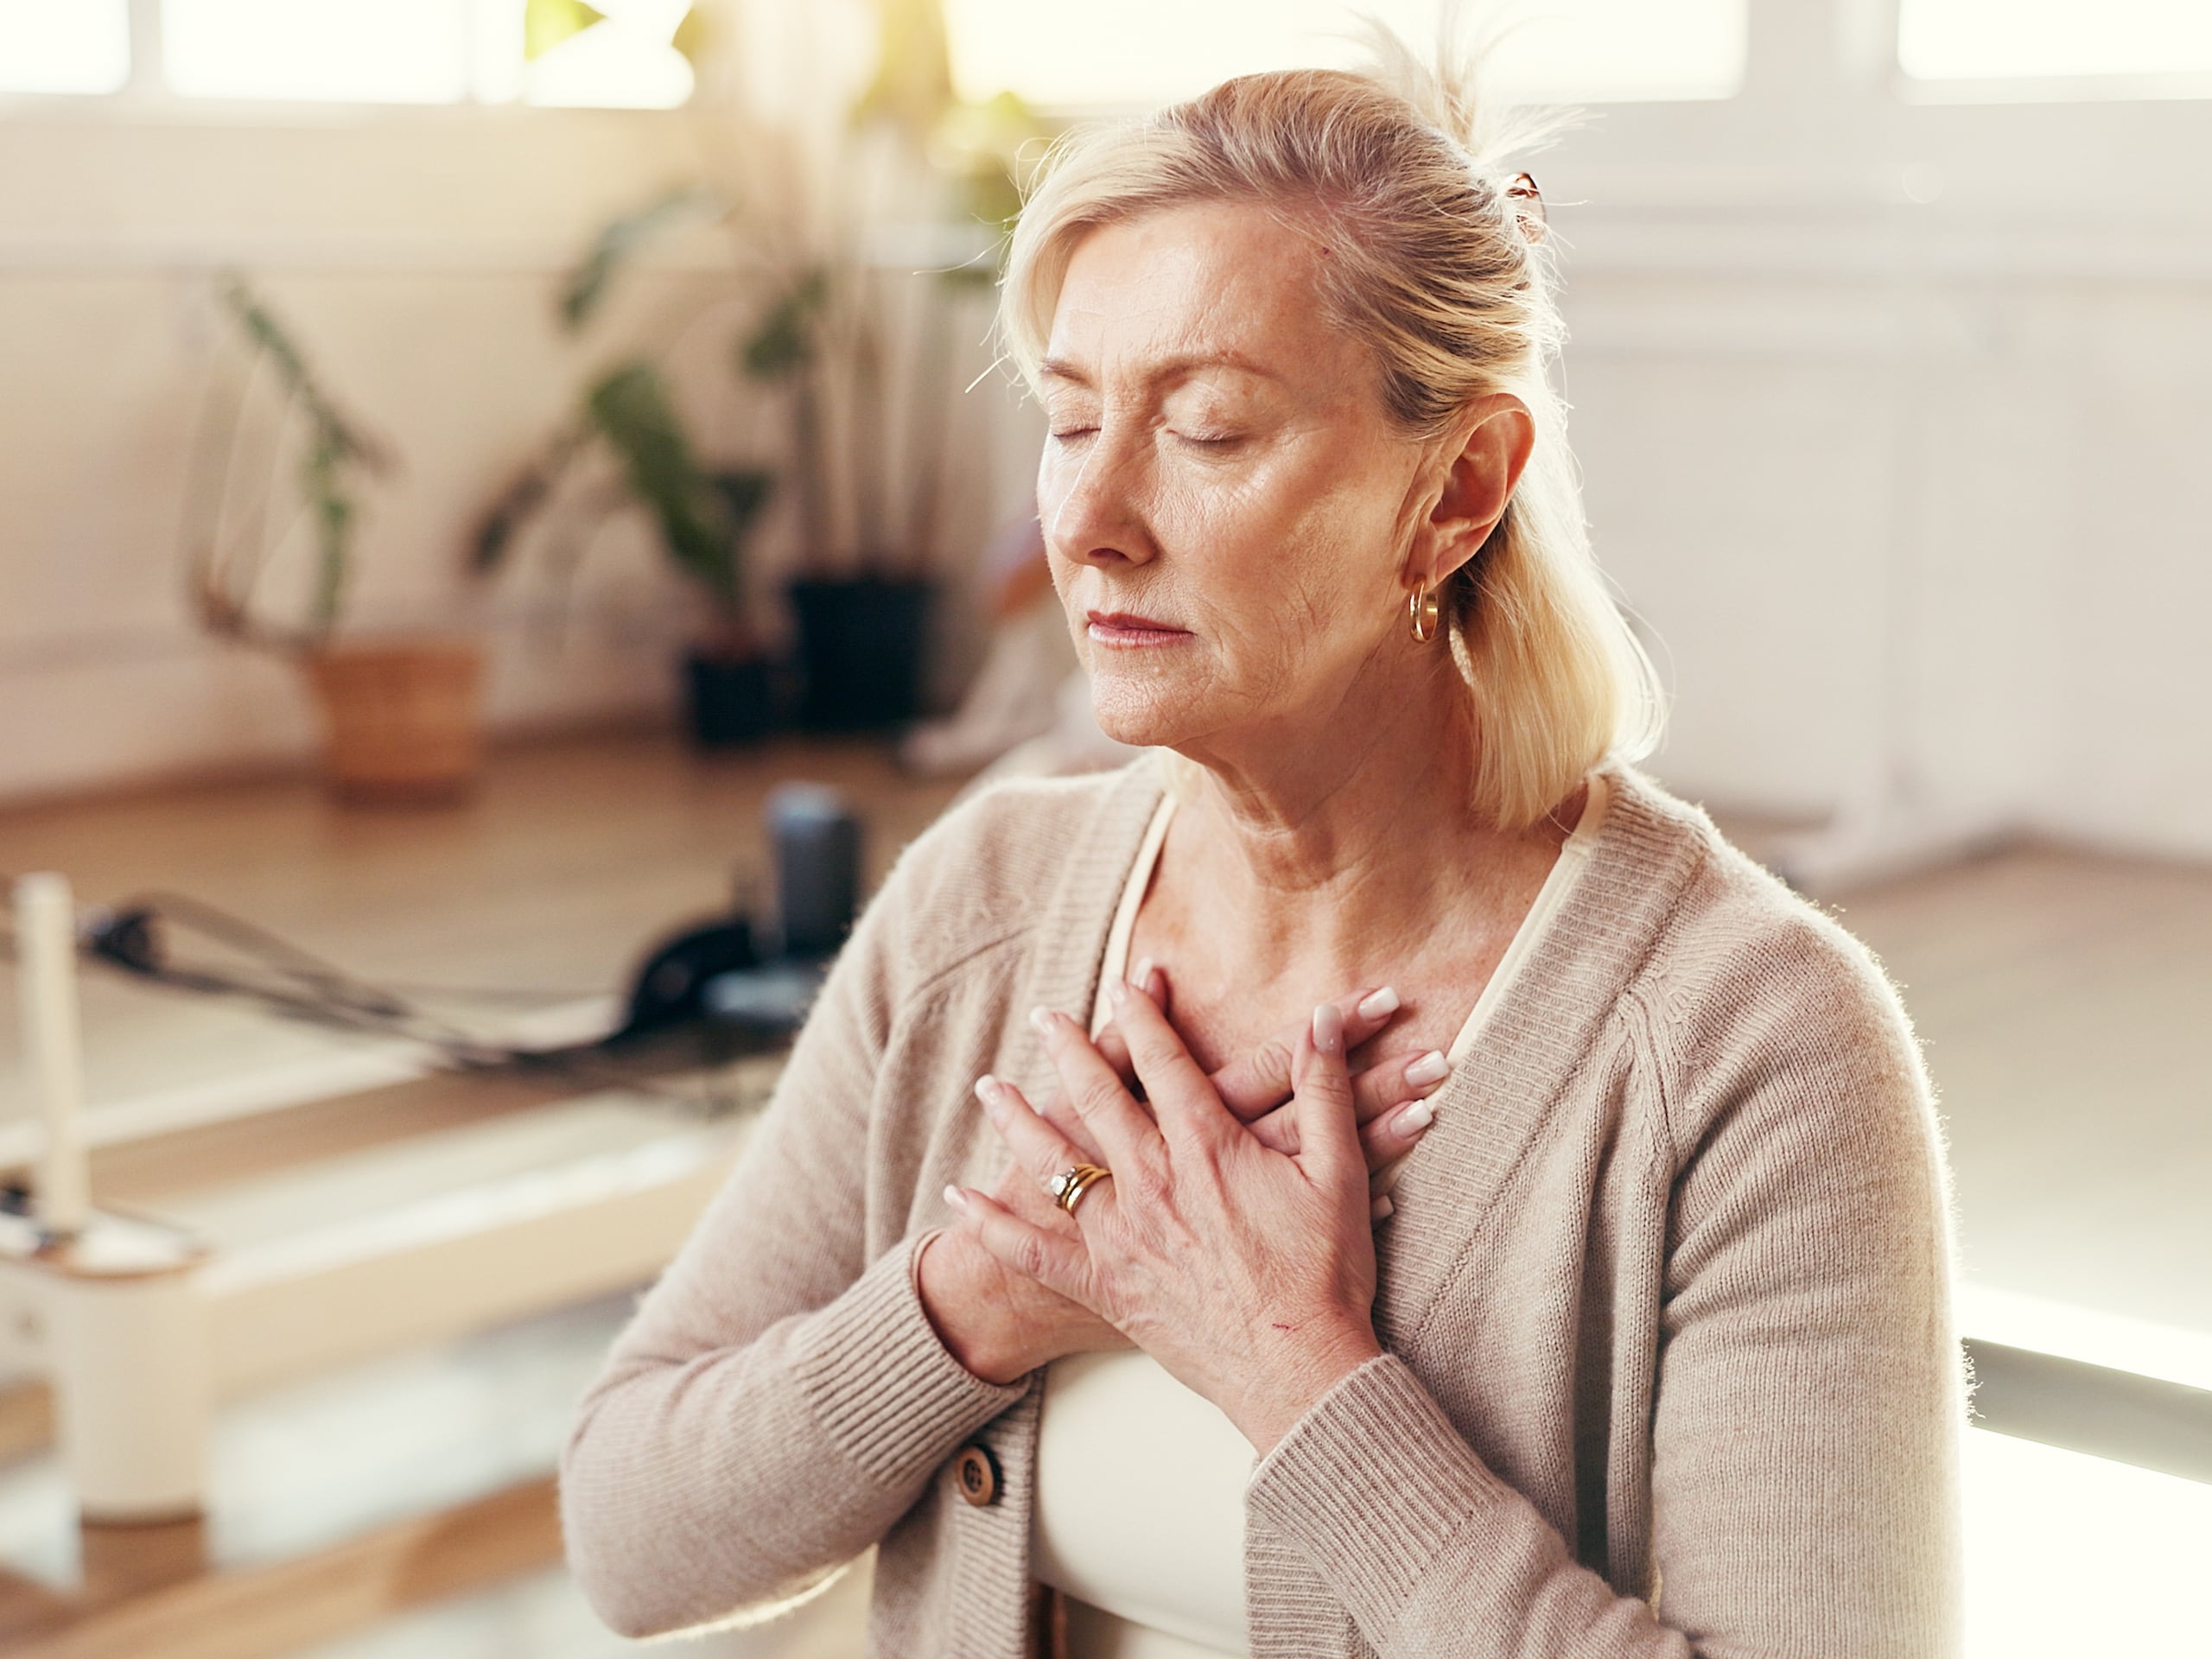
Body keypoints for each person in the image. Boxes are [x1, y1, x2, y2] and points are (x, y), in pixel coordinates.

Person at [561, 29, 1964, 1659]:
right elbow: (631, 1537)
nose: (1089, 520)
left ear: (1456, 494)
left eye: (1210, 429)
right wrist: (989, 1295)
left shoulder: (1755, 1050)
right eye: (1072, 418)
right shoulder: (986, 906)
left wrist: (1291, 1368)